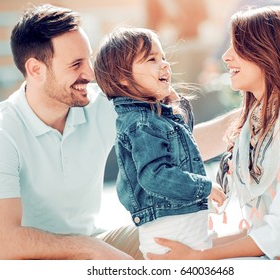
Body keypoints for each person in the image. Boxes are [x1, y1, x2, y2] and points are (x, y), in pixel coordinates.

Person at [0, 4, 237, 260]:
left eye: (88, 60)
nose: (90, 73)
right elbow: (6, 243)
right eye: (75, 65)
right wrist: (91, 249)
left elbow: (175, 148)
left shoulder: (99, 105)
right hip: (23, 263)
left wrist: (245, 117)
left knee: (179, 240)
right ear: (35, 70)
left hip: (90, 241)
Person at [148, 5, 280, 260]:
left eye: (238, 46)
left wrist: (197, 257)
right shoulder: (252, 125)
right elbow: (259, 230)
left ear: (270, 54)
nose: (225, 56)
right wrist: (193, 250)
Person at [93, 27, 226, 259]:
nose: (165, 64)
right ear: (123, 78)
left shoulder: (154, 117)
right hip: (171, 230)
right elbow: (154, 176)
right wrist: (204, 187)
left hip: (179, 224)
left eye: (163, 57)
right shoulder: (141, 123)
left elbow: (187, 139)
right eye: (152, 59)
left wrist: (175, 102)